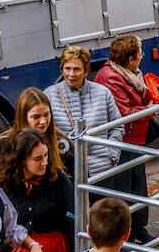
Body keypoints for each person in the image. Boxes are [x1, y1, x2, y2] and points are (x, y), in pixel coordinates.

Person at [95, 36, 156, 244]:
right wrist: (149, 110)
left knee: (138, 185)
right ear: (130, 59)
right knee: (123, 187)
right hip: (122, 140)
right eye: (140, 53)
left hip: (134, 137)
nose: (141, 57)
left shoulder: (128, 74)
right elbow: (123, 112)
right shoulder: (110, 77)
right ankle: (124, 235)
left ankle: (139, 228)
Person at [47, 47, 124, 186]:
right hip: (68, 173)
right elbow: (44, 133)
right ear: (62, 69)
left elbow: (117, 126)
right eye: (67, 68)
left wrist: (112, 155)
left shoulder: (103, 93)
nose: (71, 74)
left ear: (86, 71)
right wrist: (67, 149)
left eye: (76, 69)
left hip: (102, 169)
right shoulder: (49, 95)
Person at [0, 87, 70, 173]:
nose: (43, 121)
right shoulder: (4, 143)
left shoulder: (61, 140)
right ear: (23, 117)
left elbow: (75, 177)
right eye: (36, 117)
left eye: (46, 115)